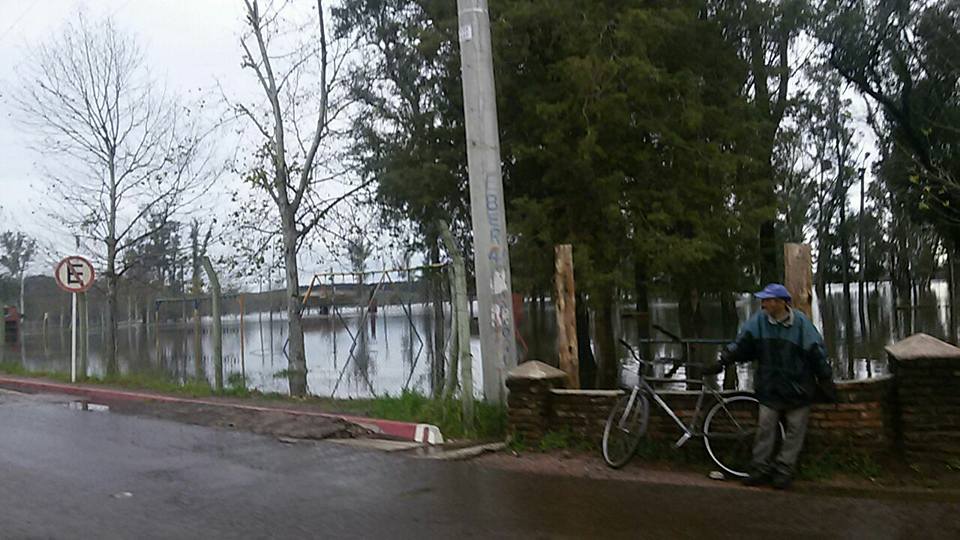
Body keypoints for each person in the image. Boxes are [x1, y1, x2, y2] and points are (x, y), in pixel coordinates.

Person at [705, 283, 836, 490]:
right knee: (765, 429)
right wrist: (723, 360)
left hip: (797, 387)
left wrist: (826, 379)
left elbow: (817, 352)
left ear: (782, 303)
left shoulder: (801, 324)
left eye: (768, 300)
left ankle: (784, 469)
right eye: (763, 300)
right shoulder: (758, 321)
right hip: (769, 386)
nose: (763, 303)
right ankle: (759, 468)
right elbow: (742, 343)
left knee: (794, 430)